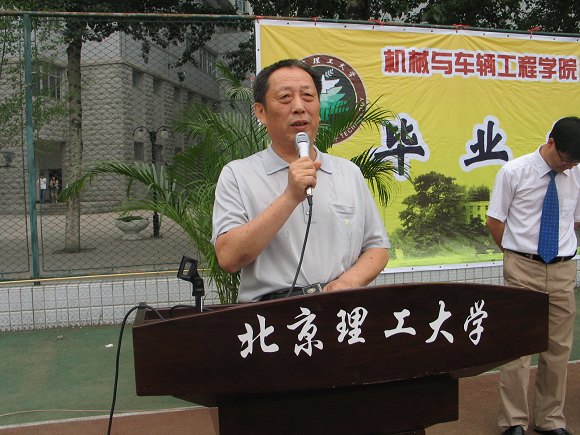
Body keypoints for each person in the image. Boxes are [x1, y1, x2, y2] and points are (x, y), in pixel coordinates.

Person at [212, 59, 389, 303]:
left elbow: (377, 247)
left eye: (308, 96)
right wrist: (290, 197)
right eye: (285, 98)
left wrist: (348, 282)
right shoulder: (238, 174)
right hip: (271, 314)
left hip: (338, 309)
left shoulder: (349, 173)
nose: (299, 107)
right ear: (261, 112)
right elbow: (228, 258)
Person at [486, 116, 580, 435]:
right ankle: (514, 421)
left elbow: (575, 221)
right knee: (517, 347)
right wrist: (516, 255)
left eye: (574, 162)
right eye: (565, 159)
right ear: (551, 142)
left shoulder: (576, 173)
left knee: (558, 349)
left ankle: (549, 419)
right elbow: (495, 221)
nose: (568, 166)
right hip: (522, 268)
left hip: (563, 269)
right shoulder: (514, 172)